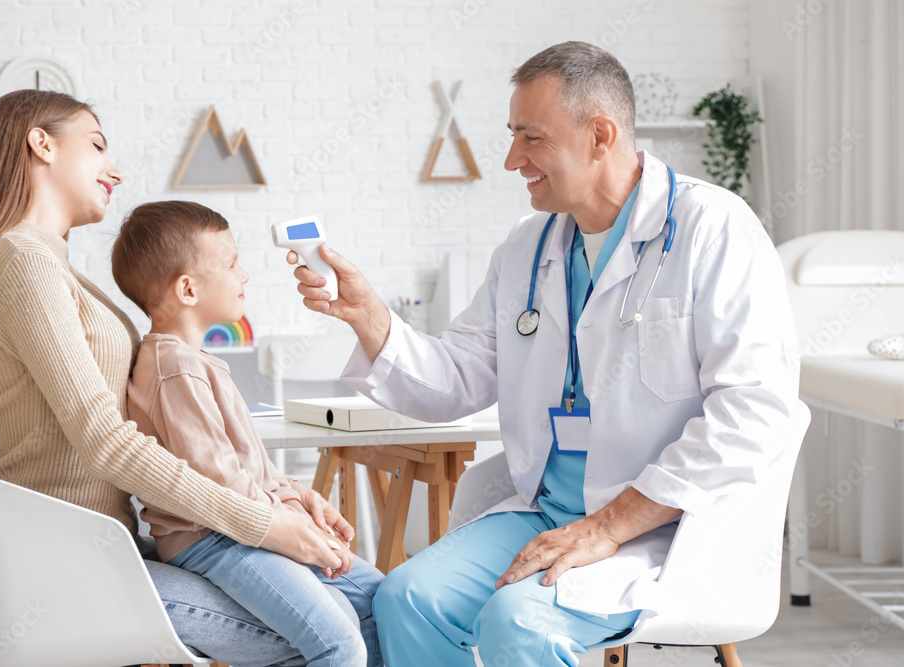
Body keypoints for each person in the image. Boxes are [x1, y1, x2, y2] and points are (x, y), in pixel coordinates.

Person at [287, 42, 810, 665]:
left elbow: (755, 412)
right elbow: (456, 379)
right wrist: (369, 317)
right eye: (512, 136)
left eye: (530, 138)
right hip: (549, 514)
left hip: (667, 526)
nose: (512, 160)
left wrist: (608, 526)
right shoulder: (527, 249)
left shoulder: (714, 229)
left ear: (600, 136)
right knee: (406, 597)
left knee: (521, 620)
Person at [0, 89, 373, 667]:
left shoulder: (45, 263)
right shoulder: (21, 263)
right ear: (40, 144)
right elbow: (106, 440)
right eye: (97, 145)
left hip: (99, 547)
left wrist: (286, 495)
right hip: (63, 567)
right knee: (330, 633)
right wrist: (265, 523)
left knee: (354, 607)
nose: (114, 168)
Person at [110, 200, 383, 666]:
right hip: (218, 540)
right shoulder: (174, 367)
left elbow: (245, 466)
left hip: (242, 530)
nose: (245, 275)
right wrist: (289, 520)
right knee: (339, 641)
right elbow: (219, 483)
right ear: (188, 289)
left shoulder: (193, 362)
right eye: (232, 262)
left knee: (380, 601)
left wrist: (294, 495)